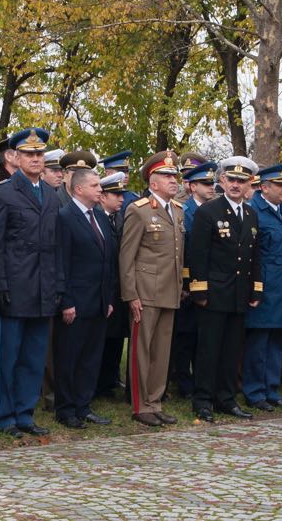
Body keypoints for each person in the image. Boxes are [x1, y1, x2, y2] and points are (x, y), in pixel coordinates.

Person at [0, 127, 60, 438]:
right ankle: (5, 417)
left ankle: (25, 413)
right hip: (14, 288)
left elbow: (56, 247)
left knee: (33, 356)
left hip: (43, 288)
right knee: (9, 357)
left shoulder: (53, 196)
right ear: (15, 157)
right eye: (28, 153)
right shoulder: (2, 193)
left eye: (39, 154)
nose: (35, 158)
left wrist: (58, 286)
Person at [187, 157, 260, 422]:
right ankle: (203, 400)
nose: (236, 185)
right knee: (209, 349)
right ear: (222, 181)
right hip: (214, 294)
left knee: (231, 351)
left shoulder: (251, 214)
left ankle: (226, 398)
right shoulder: (209, 211)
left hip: (239, 293)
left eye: (242, 181)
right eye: (231, 180)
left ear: (249, 183)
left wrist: (256, 290)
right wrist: (199, 291)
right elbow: (197, 255)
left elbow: (254, 257)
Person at [120, 151, 185, 427]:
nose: (173, 180)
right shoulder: (139, 210)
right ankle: (140, 405)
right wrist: (131, 294)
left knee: (162, 351)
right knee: (142, 349)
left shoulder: (177, 211)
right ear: (152, 181)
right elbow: (126, 257)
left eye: (174, 176)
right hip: (145, 292)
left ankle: (155, 401)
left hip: (169, 290)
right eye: (167, 176)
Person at [53, 168, 116, 428]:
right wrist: (66, 301)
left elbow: (107, 260)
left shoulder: (99, 217)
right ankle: (66, 409)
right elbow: (61, 262)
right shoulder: (65, 217)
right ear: (79, 189)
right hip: (76, 303)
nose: (100, 189)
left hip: (98, 302)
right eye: (95, 185)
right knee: (70, 357)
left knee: (91, 358)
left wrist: (108, 298)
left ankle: (83, 405)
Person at [243, 162, 282, 412]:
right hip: (265, 285)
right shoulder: (252, 210)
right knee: (259, 342)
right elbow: (249, 254)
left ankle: (272, 389)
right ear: (264, 187)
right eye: (279, 185)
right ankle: (254, 391)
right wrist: (254, 288)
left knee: (278, 341)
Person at [170, 161, 218, 399]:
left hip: (211, 282)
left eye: (212, 183)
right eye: (206, 183)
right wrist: (185, 282)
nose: (212, 187)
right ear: (191, 187)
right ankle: (184, 383)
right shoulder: (182, 211)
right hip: (187, 284)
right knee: (186, 336)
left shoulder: (216, 210)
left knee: (204, 337)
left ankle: (202, 380)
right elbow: (182, 251)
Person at [95, 172, 130, 398]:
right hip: (102, 287)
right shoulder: (97, 218)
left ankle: (110, 381)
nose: (121, 199)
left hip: (118, 287)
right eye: (115, 194)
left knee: (117, 337)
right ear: (102, 197)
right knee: (101, 339)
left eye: (121, 195)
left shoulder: (120, 218)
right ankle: (99, 383)